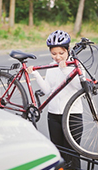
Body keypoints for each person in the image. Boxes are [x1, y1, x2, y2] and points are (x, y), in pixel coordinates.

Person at [26, 30, 83, 170]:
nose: (57, 57)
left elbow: (79, 87)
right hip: (54, 116)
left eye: (61, 53)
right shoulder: (51, 67)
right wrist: (36, 74)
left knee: (73, 156)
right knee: (59, 154)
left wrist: (65, 70)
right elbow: (47, 91)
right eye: (53, 53)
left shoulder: (76, 65)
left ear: (68, 50)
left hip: (72, 116)